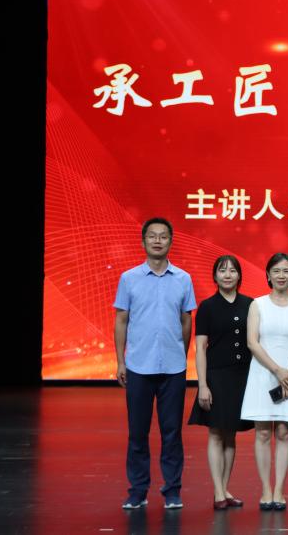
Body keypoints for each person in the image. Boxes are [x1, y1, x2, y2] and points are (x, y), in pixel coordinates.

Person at [113, 217, 196, 510]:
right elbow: (121, 320)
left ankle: (172, 490)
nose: (158, 241)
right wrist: (120, 361)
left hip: (173, 368)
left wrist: (180, 353)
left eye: (163, 236)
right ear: (143, 241)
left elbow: (186, 321)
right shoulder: (129, 278)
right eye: (152, 236)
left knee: (172, 433)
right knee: (137, 432)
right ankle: (138, 490)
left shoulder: (183, 279)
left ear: (171, 241)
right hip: (138, 365)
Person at [241, 253, 288, 511]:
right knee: (261, 432)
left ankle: (279, 489)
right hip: (263, 373)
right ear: (268, 275)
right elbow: (252, 342)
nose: (281, 275)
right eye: (276, 271)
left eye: (286, 271)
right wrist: (277, 370)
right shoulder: (257, 305)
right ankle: (266, 490)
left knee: (283, 432)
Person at [188, 254, 256, 511]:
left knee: (231, 435)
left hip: (242, 377)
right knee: (216, 432)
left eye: (232, 270)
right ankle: (218, 491)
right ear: (215, 276)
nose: (227, 275)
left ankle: (224, 489)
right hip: (216, 377)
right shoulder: (207, 307)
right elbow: (200, 349)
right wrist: (202, 385)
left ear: (239, 276)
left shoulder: (251, 304)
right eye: (222, 270)